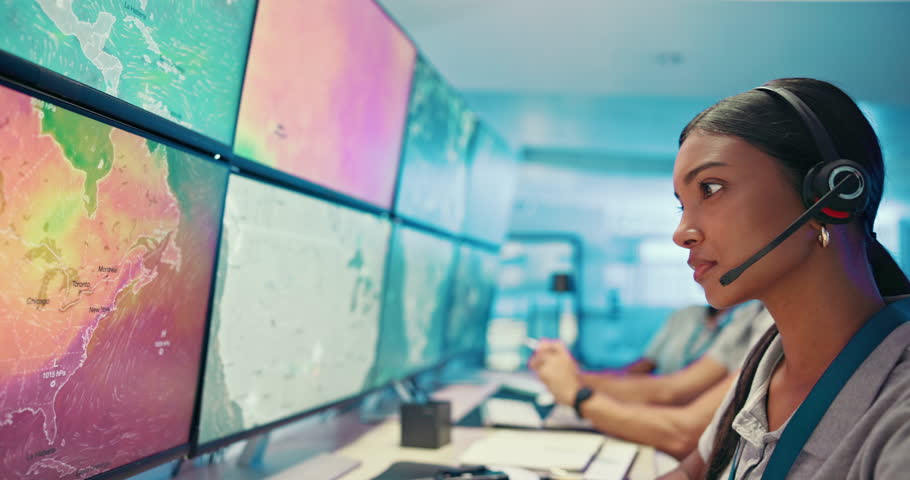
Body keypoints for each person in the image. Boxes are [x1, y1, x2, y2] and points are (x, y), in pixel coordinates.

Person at [658, 78, 910, 479]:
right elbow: (692, 474)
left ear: (831, 194)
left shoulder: (899, 416)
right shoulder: (768, 357)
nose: (682, 232)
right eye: (682, 207)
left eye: (710, 188)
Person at [529, 301, 771, 458]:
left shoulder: (758, 318)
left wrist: (578, 392)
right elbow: (668, 387)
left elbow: (682, 426)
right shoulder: (738, 317)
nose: (682, 237)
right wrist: (574, 378)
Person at [624, 304, 732, 375]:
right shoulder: (686, 314)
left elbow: (672, 392)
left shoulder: (741, 320)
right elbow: (648, 361)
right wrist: (617, 377)